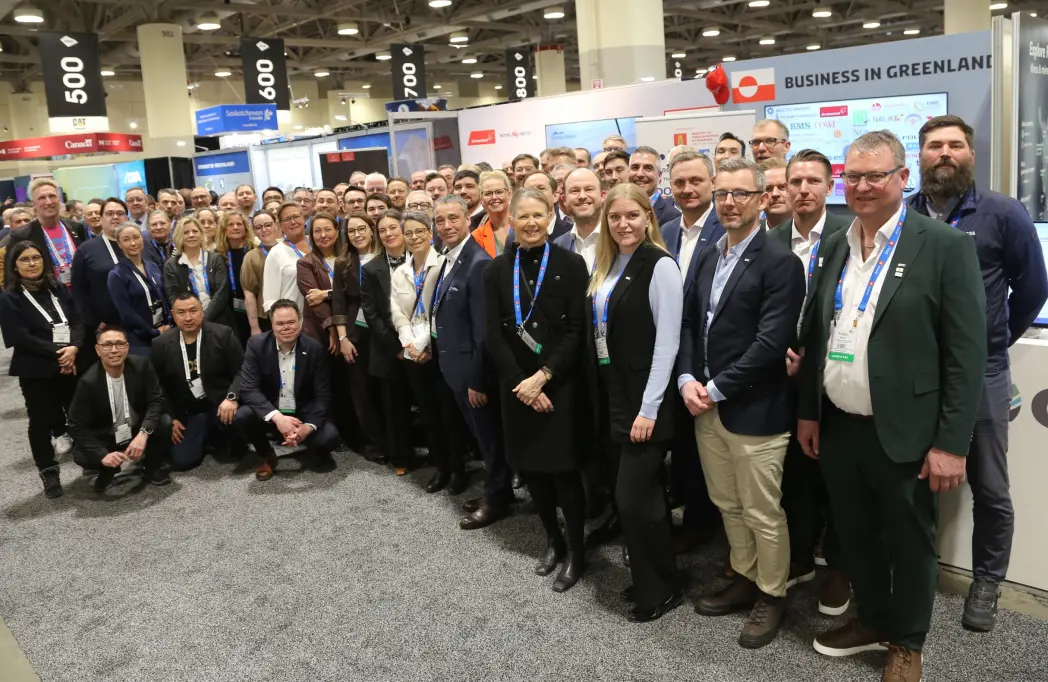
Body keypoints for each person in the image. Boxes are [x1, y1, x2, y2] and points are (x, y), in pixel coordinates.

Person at [797, 131, 987, 681]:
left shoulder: (944, 246)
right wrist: (809, 411)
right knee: (855, 536)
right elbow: (818, 332)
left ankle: (907, 642)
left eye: (874, 176)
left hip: (906, 427)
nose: (861, 186)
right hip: (839, 424)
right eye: (852, 176)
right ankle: (872, 619)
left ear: (902, 178)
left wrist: (951, 444)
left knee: (909, 542)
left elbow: (965, 355)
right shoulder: (836, 242)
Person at [909, 114, 1048, 631]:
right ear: (920, 156)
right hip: (919, 370)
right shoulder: (905, 213)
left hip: (983, 369)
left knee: (989, 483)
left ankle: (987, 581)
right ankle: (914, 569)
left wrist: (993, 341)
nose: (945, 153)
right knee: (912, 475)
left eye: (955, 145)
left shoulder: (1003, 213)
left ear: (971, 154)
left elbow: (1032, 289)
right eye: (935, 145)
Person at [677, 157, 805, 648]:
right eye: (723, 194)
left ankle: (772, 594)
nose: (730, 203)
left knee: (762, 511)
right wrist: (687, 378)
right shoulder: (710, 255)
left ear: (762, 199)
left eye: (741, 194)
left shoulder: (780, 262)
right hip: (704, 403)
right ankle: (745, 578)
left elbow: (771, 344)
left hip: (754, 410)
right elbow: (691, 323)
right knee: (728, 504)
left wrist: (714, 389)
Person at [484, 187, 590, 592]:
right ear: (511, 220)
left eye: (538, 215)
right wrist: (520, 383)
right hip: (516, 387)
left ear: (550, 217)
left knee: (564, 473)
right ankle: (553, 540)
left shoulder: (571, 263)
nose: (530, 223)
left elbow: (577, 330)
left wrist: (543, 377)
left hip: (558, 384)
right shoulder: (496, 270)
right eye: (523, 216)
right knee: (533, 471)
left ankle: (577, 549)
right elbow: (493, 334)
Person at [587, 182, 683, 622]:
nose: (623, 224)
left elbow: (667, 345)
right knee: (642, 498)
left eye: (632, 215)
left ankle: (660, 589)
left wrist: (649, 409)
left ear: (648, 218)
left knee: (633, 498)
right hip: (616, 392)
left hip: (647, 400)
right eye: (615, 216)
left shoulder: (660, 265)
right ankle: (653, 576)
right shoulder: (608, 263)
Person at [766, 148, 853, 617]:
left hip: (832, 372)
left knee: (835, 475)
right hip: (781, 373)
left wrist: (812, 359)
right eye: (794, 182)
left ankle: (838, 566)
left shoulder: (849, 235)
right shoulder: (771, 239)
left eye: (812, 181)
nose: (802, 190)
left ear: (829, 186)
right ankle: (800, 554)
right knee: (794, 474)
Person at [658, 151, 725, 554]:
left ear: (712, 183)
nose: (687, 189)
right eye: (679, 182)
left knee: (709, 452)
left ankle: (706, 525)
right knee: (682, 447)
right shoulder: (664, 230)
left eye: (696, 181)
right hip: (667, 356)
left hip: (707, 358)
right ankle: (694, 517)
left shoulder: (725, 228)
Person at [432, 195, 511, 529]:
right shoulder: (450, 256)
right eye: (440, 220)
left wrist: (478, 380)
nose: (446, 226)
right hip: (456, 368)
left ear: (468, 219)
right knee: (482, 438)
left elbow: (484, 332)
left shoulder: (478, 262)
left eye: (453, 218)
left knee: (490, 439)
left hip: (474, 374)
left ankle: (497, 499)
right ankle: (497, 489)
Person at [390, 211, 468, 492]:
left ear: (430, 232)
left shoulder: (443, 265)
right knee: (429, 414)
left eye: (420, 231)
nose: (414, 237)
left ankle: (458, 469)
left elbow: (440, 311)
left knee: (449, 415)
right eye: (408, 233)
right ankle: (441, 467)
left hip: (439, 349)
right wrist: (409, 344)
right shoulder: (400, 271)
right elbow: (398, 313)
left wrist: (423, 344)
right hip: (413, 352)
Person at [0, 240, 83, 498]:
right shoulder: (9, 297)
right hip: (36, 370)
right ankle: (49, 471)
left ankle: (90, 458)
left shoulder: (56, 287)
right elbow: (20, 337)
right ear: (14, 265)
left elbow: (77, 320)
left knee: (79, 414)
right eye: (24, 259)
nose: (32, 263)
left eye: (36, 257)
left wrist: (74, 347)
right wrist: (60, 353)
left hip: (70, 362)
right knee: (41, 422)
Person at [150, 293, 260, 471]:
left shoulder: (223, 334)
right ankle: (209, 436)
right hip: (188, 411)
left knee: (242, 420)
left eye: (193, 310)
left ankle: (224, 437)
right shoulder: (160, 344)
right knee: (183, 462)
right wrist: (171, 417)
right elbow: (157, 385)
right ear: (173, 315)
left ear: (202, 311)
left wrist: (232, 397)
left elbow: (243, 369)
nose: (188, 317)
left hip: (220, 404)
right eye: (181, 312)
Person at [236, 300, 341, 480]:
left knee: (329, 437)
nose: (286, 328)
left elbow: (323, 395)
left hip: (302, 408)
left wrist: (308, 427)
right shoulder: (256, 345)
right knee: (243, 416)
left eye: (291, 322)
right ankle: (266, 455)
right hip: (272, 408)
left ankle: (305, 446)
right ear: (272, 324)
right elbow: (248, 388)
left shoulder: (314, 348)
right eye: (280, 323)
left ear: (300, 322)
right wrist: (278, 418)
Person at [67, 325, 173, 491]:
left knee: (164, 422)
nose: (114, 350)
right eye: (107, 345)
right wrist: (102, 455)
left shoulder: (141, 365)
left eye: (119, 344)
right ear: (98, 350)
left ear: (127, 347)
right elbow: (75, 425)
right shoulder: (88, 382)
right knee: (81, 454)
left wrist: (143, 434)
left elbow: (156, 400)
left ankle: (151, 467)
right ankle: (108, 469)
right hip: (107, 434)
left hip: (137, 429)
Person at [358, 210, 416, 475]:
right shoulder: (371, 269)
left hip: (422, 345)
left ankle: (441, 458)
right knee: (395, 409)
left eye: (393, 227)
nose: (389, 233)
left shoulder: (422, 259)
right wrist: (398, 348)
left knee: (431, 405)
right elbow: (371, 314)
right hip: (390, 350)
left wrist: (418, 343)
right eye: (382, 230)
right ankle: (401, 457)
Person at [330, 212, 386, 461]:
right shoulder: (343, 263)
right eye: (351, 231)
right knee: (362, 392)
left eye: (361, 228)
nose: (357, 234)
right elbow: (338, 304)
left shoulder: (385, 256)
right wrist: (343, 338)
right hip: (355, 334)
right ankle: (373, 444)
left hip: (383, 331)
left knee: (386, 390)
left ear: (372, 229)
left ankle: (395, 442)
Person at [6, 178, 86, 289]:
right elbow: (10, 276)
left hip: (79, 291)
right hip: (45, 294)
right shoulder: (21, 235)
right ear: (34, 204)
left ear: (59, 199)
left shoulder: (76, 227)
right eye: (42, 198)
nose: (48, 202)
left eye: (52, 196)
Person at [108, 223, 172, 355]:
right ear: (119, 244)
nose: (133, 243)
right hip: (140, 339)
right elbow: (126, 313)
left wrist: (169, 324)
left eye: (136, 237)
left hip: (165, 331)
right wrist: (153, 332)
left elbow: (163, 297)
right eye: (126, 239)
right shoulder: (117, 274)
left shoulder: (152, 266)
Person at [163, 217, 235, 330]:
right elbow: (174, 297)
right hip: (189, 322)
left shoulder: (216, 259)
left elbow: (221, 293)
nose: (191, 235)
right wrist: (193, 318)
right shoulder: (171, 266)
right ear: (179, 236)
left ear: (201, 235)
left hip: (221, 320)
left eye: (195, 231)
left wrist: (203, 320)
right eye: (186, 232)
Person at [71, 197, 128, 342]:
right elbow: (78, 290)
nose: (115, 217)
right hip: (106, 327)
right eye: (109, 213)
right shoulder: (86, 250)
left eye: (120, 213)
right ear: (101, 219)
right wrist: (93, 322)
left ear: (127, 218)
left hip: (141, 322)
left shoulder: (139, 245)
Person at [297, 212, 343, 346]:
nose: (323, 235)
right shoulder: (305, 263)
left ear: (337, 232)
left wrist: (325, 294)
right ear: (311, 236)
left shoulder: (348, 259)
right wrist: (332, 328)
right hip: (320, 329)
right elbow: (314, 300)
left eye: (328, 229)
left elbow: (353, 291)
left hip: (348, 325)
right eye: (317, 231)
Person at [215, 210, 258, 343]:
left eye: (239, 224)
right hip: (229, 310)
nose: (235, 227)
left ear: (245, 227)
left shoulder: (254, 250)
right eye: (231, 224)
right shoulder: (218, 254)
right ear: (224, 229)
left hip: (255, 307)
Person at [263, 203, 312, 312]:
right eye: (287, 219)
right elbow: (270, 301)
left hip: (324, 316)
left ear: (303, 219)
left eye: (296, 216)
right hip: (294, 318)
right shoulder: (276, 253)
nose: (293, 222)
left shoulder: (317, 244)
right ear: (280, 225)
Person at [554, 168, 604, 272]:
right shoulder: (559, 246)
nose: (582, 196)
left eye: (589, 189)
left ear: (602, 195)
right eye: (575, 191)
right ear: (564, 200)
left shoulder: (619, 239)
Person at [241, 211, 278, 337]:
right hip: (266, 317)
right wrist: (254, 327)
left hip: (293, 313)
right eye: (258, 227)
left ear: (276, 225)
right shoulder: (251, 257)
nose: (264, 230)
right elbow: (249, 294)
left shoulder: (288, 249)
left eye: (268, 225)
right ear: (254, 231)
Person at [629, 146, 682, 226]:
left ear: (659, 176)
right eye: (635, 168)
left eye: (648, 168)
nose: (640, 174)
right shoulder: (616, 210)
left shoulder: (674, 217)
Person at [472, 170, 515, 258]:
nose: (494, 197)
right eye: (488, 194)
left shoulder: (523, 225)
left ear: (509, 194)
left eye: (499, 192)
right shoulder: (477, 236)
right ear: (481, 199)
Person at [523, 171, 571, 240]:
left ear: (555, 196)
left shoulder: (571, 233)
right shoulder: (516, 237)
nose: (535, 194)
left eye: (541, 188)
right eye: (530, 190)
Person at [758, 158, 790, 230]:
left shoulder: (812, 230)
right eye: (768, 189)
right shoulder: (749, 234)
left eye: (782, 187)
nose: (775, 194)